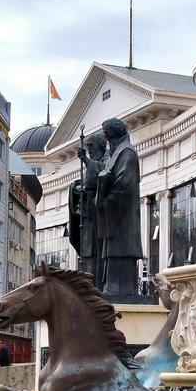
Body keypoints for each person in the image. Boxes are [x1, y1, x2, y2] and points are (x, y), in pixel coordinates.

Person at [97, 118, 143, 296]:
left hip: (122, 218)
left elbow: (124, 187)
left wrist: (103, 201)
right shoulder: (117, 152)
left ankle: (121, 291)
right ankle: (113, 289)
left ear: (110, 135)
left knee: (120, 255)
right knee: (113, 255)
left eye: (106, 135)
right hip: (115, 220)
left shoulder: (127, 153)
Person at [68, 133, 109, 286]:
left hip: (99, 219)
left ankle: (96, 286)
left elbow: (103, 176)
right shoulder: (93, 163)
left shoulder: (107, 159)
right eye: (88, 147)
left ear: (101, 146)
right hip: (88, 219)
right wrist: (77, 187)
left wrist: (86, 161)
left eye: (91, 147)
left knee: (97, 255)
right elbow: (88, 181)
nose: (89, 150)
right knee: (87, 254)